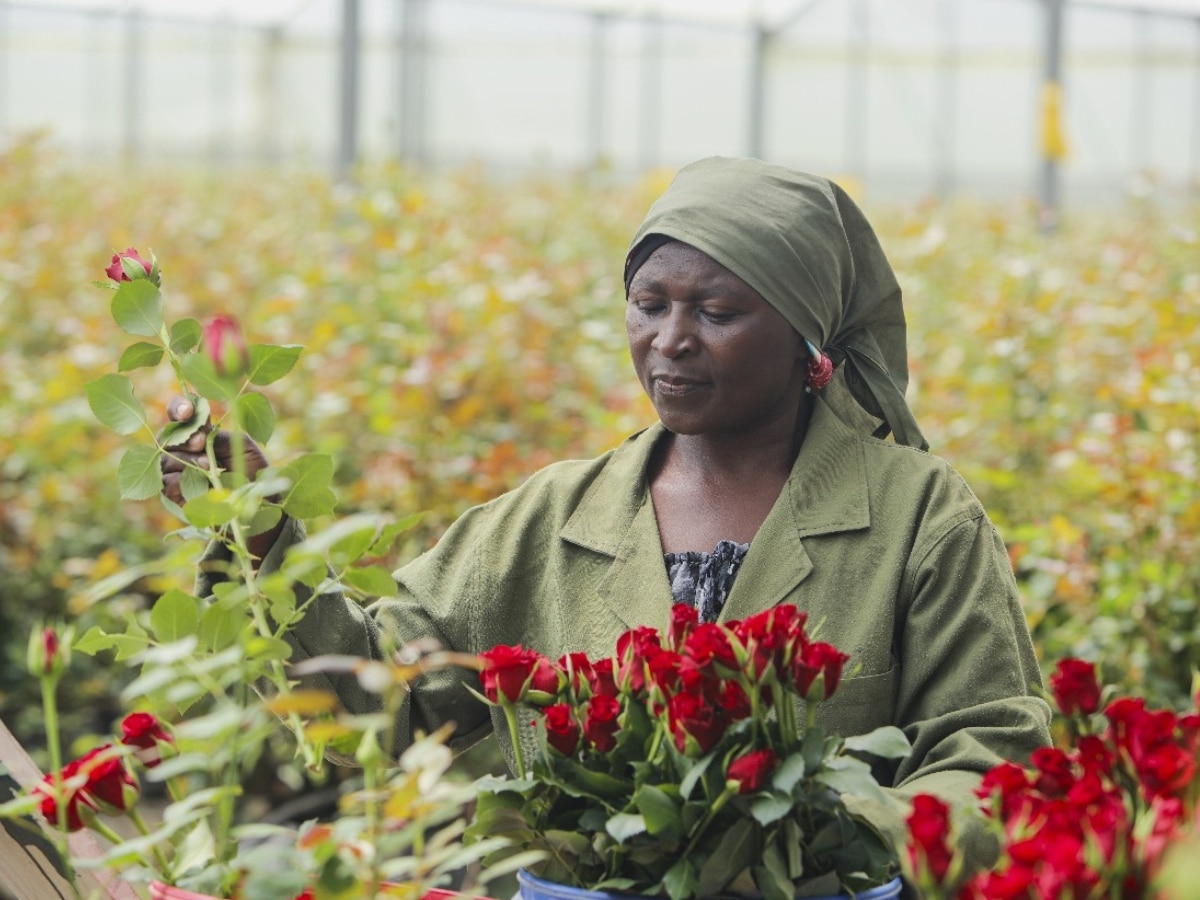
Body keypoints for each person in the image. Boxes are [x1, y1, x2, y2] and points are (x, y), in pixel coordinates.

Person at [161, 156, 1051, 875]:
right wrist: (264, 535)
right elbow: (371, 700)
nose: (670, 337)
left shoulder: (917, 515)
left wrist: (827, 828)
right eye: (650, 303)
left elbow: (996, 751)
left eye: (717, 310)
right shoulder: (555, 516)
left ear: (804, 340)